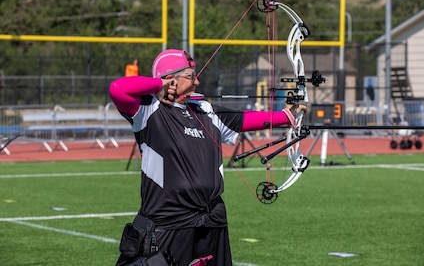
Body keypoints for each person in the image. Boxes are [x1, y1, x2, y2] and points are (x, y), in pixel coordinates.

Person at [109, 49, 307, 266]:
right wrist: (159, 86)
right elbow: (118, 89)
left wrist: (286, 116)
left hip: (212, 218)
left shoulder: (205, 110)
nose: (197, 82)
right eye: (191, 76)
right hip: (169, 220)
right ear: (170, 78)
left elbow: (244, 120)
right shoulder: (148, 109)